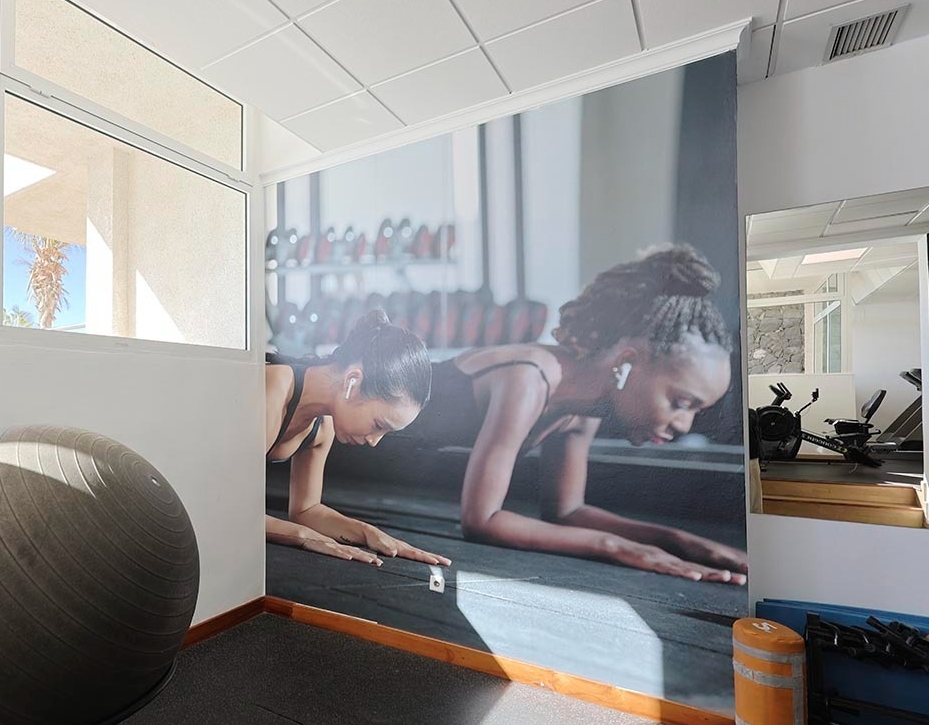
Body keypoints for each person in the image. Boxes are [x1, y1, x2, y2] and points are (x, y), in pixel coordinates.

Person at [400, 244, 747, 584]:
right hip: (356, 438)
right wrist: (617, 547)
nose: (684, 425)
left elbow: (566, 511)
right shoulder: (530, 378)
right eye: (680, 402)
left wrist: (680, 541)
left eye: (695, 410)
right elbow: (482, 520)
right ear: (628, 362)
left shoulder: (587, 406)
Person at [266, 310, 451, 568]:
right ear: (353, 381)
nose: (375, 441)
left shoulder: (322, 427)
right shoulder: (273, 388)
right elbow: (225, 506)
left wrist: (368, 533)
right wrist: (303, 536)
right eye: (378, 425)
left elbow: (305, 511)